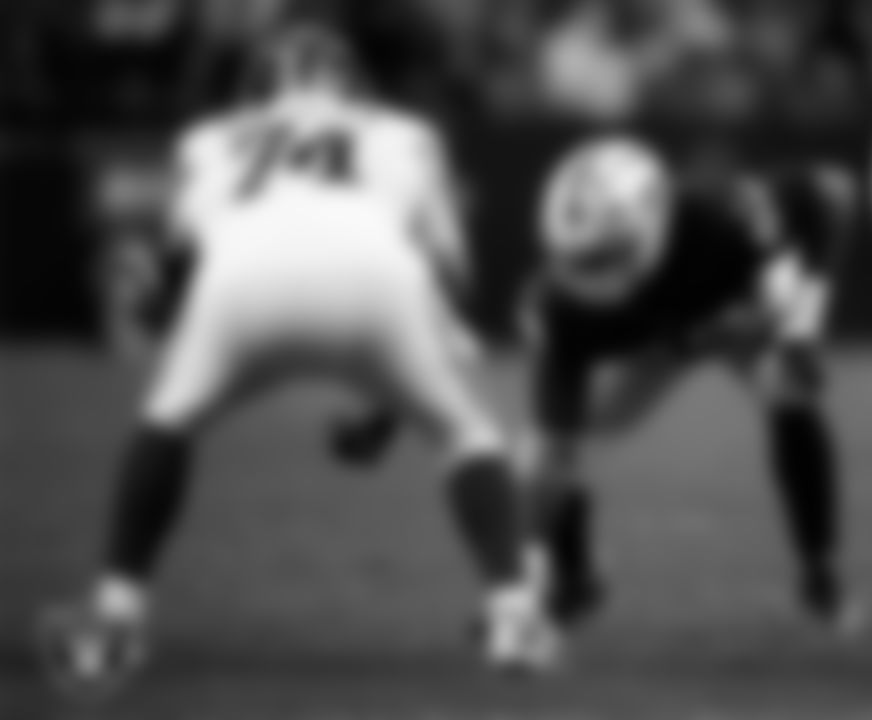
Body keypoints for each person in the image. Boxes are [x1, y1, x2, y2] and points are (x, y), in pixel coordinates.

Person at [40, 22, 556, 693]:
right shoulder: (408, 135)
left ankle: (115, 618)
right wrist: (392, 397)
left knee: (166, 423)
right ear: (353, 85)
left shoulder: (206, 141)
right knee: (467, 434)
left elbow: (173, 275)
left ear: (254, 87)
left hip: (244, 270)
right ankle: (513, 614)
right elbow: (451, 277)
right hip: (376, 268)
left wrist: (163, 317)